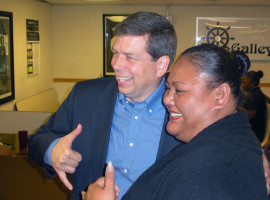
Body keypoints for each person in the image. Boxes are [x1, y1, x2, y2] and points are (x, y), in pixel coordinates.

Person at [84, 44, 268, 200]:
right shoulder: (220, 142)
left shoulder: (213, 174)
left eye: (179, 90)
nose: (166, 99)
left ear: (220, 96)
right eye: (167, 88)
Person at [28, 11, 179, 200]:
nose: (115, 64)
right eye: (115, 53)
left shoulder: (184, 112)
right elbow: (38, 140)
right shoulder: (84, 96)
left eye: (130, 57)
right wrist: (53, 151)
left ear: (161, 65)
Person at [240, 70, 267, 142]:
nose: (242, 85)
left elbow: (248, 116)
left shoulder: (256, 96)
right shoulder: (251, 93)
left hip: (255, 132)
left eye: (244, 82)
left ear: (252, 84)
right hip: (249, 128)